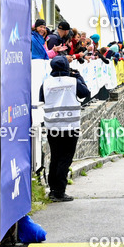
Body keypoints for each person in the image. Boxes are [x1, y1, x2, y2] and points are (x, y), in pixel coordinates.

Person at [39, 55, 91, 202]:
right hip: (70, 126)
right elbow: (86, 93)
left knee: (55, 158)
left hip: (52, 126)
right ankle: (60, 192)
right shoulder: (74, 82)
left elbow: (42, 98)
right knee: (65, 159)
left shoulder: (46, 83)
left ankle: (52, 190)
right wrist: (79, 77)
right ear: (67, 68)